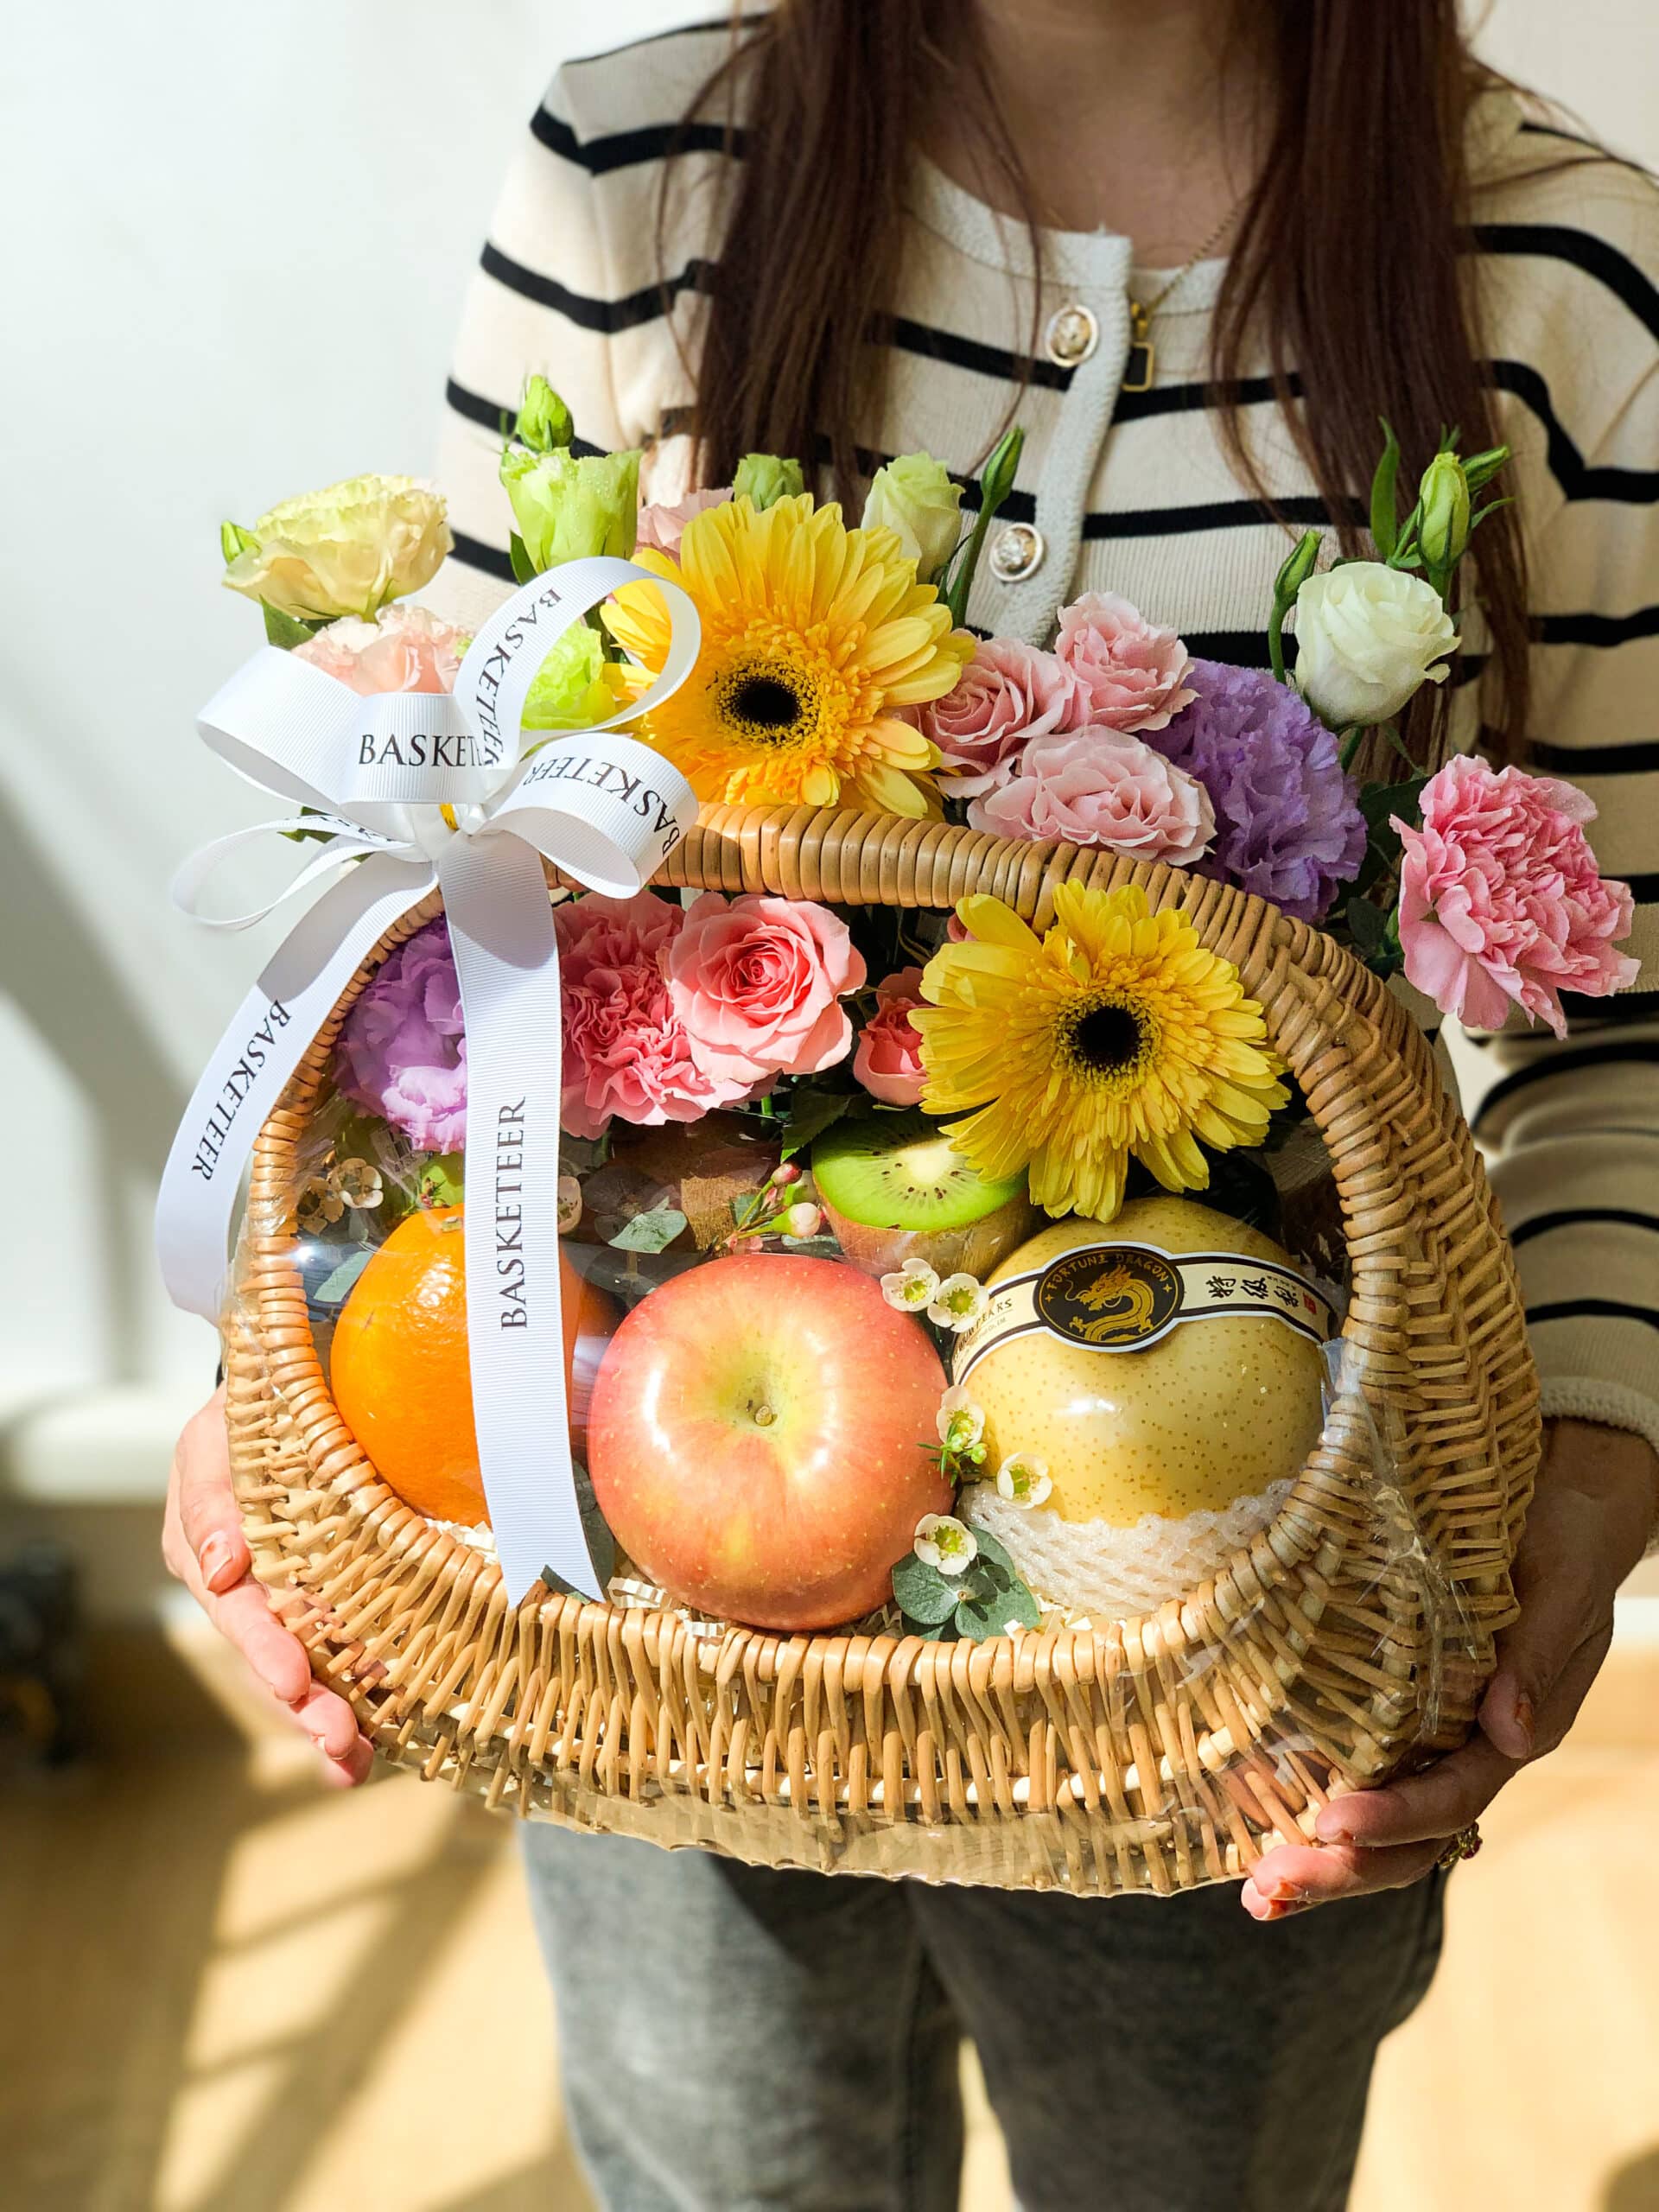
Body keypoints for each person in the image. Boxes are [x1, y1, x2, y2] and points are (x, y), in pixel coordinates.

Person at [166, 5, 1659, 2205]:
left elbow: (1617, 1013)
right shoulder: (641, 177)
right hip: (645, 1579)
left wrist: (1592, 1471)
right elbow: (471, 887)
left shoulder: (1547, 276)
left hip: (1230, 1609)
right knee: (721, 2161)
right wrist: (293, 1373)